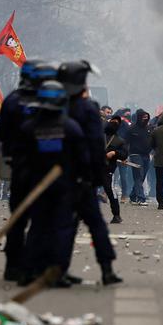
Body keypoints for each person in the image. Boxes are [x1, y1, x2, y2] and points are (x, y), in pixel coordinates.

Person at [14, 81, 88, 285]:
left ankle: (29, 271)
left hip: (37, 185)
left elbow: (19, 158)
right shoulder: (71, 127)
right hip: (64, 186)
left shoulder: (29, 127)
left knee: (37, 227)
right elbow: (83, 159)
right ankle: (55, 273)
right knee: (61, 229)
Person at [58, 60, 122, 286]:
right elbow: (96, 145)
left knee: (64, 224)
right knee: (95, 224)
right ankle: (106, 270)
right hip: (83, 175)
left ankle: (59, 270)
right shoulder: (87, 108)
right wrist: (97, 175)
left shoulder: (55, 105)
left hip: (59, 174)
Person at [0, 60, 58, 281]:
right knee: (42, 219)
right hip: (45, 168)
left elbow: (0, 134)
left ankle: (13, 266)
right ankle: (34, 266)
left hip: (20, 166)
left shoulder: (12, 100)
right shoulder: (50, 100)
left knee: (18, 217)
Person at [125, 109, 153, 204]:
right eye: (143, 117)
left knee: (142, 176)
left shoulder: (149, 129)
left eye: (147, 117)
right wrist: (125, 155)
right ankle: (141, 198)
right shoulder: (132, 129)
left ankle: (133, 195)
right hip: (135, 155)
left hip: (146, 155)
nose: (145, 119)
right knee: (138, 176)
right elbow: (126, 142)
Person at [104, 115, 127, 223]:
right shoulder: (99, 136)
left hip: (108, 169)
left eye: (116, 123)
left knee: (111, 191)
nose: (114, 123)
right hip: (94, 167)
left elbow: (124, 154)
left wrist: (114, 153)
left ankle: (116, 214)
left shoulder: (119, 140)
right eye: (113, 121)